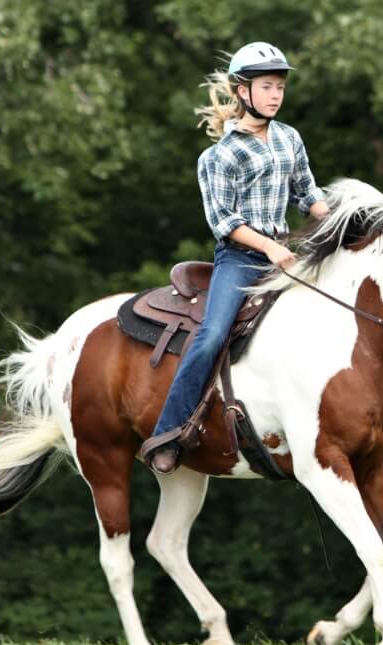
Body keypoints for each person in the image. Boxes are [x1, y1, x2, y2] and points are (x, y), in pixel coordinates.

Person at [140, 41, 330, 474]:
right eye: (267, 86)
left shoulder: (289, 138)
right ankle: (170, 432)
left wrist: (345, 221)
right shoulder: (218, 157)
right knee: (210, 336)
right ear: (243, 92)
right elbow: (224, 222)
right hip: (242, 259)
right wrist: (269, 247)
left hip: (287, 254)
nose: (276, 94)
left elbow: (309, 195)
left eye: (280, 86)